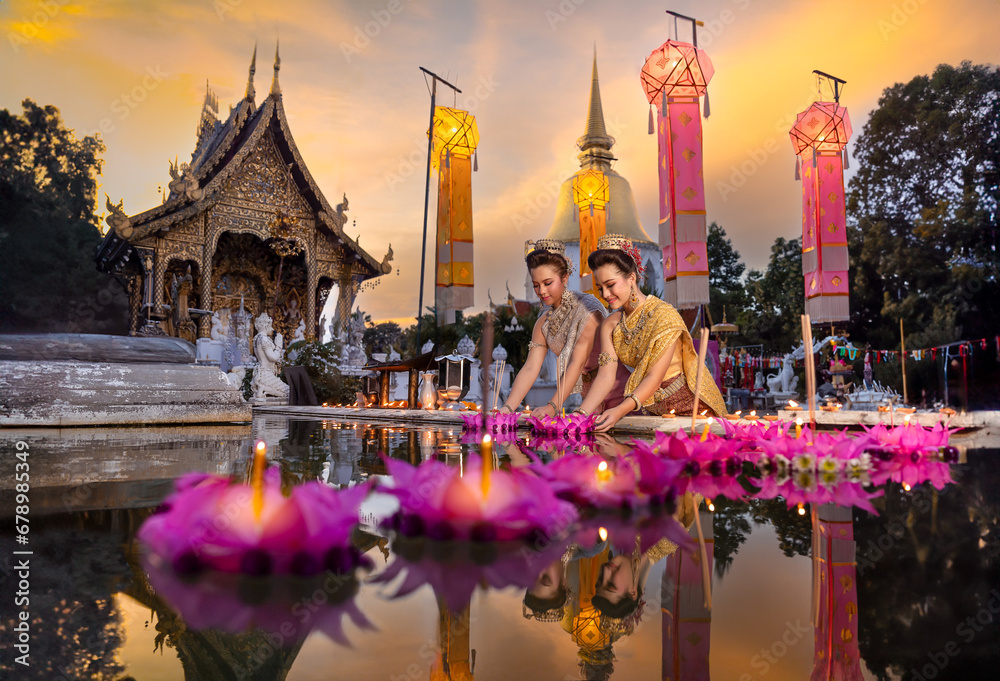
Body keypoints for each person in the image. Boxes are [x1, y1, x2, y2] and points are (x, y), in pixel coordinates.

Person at [577, 233, 727, 431]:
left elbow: (654, 378)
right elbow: (606, 376)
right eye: (600, 288)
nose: (605, 295)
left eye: (610, 285)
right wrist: (580, 415)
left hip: (694, 411)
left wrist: (620, 410)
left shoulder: (663, 315)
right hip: (657, 414)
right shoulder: (610, 325)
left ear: (631, 278)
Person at [499, 239, 628, 418]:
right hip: (590, 400)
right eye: (536, 285)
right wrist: (507, 409)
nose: (541, 291)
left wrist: (552, 407)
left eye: (547, 283)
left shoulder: (588, 309)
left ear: (565, 277)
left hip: (621, 394)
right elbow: (530, 368)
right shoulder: (543, 322)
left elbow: (577, 362)